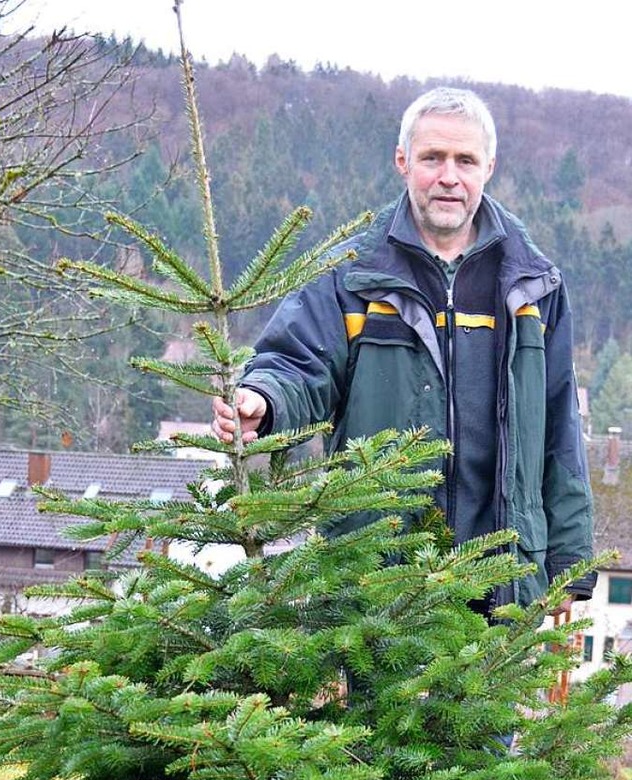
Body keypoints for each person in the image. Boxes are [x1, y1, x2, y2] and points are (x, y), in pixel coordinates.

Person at [213, 86, 595, 613]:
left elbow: (560, 427)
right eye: (432, 157)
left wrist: (570, 565)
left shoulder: (533, 284)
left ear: (489, 167)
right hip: (377, 580)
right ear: (402, 162)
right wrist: (264, 399)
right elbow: (298, 363)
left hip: (503, 577)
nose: (448, 176)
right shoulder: (352, 274)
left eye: (465, 160)